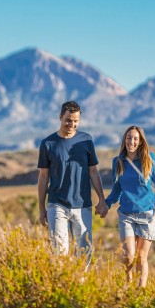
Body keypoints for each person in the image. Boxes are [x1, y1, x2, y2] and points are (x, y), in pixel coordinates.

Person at [96, 126, 155, 287]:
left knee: (141, 257)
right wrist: (106, 204)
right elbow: (117, 189)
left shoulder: (149, 159)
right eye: (128, 138)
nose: (131, 141)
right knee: (128, 256)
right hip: (126, 215)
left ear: (141, 141)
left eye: (135, 138)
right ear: (124, 140)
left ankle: (140, 291)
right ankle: (128, 288)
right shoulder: (118, 162)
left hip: (148, 215)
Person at [37, 100, 106, 261]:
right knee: (59, 253)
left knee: (84, 254)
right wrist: (42, 208)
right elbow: (43, 177)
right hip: (57, 204)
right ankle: (62, 286)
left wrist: (101, 199)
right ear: (60, 117)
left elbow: (93, 172)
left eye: (75, 121)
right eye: (68, 120)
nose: (71, 124)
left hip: (82, 205)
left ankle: (81, 285)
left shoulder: (86, 140)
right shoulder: (48, 144)